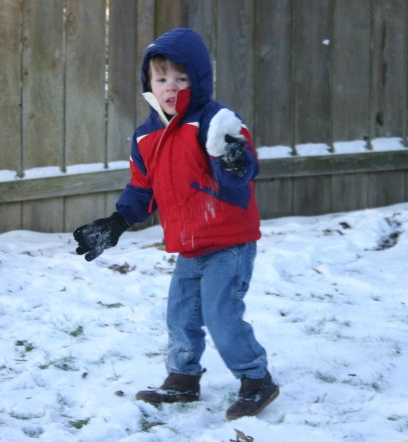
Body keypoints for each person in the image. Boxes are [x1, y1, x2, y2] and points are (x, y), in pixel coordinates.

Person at [73, 28, 279, 420]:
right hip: (188, 245)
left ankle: (256, 379)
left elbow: (241, 171)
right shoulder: (146, 135)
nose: (171, 87)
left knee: (221, 315)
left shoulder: (215, 121)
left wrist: (234, 160)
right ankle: (183, 379)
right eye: (161, 78)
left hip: (228, 242)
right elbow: (142, 188)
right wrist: (118, 221)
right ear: (148, 82)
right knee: (181, 315)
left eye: (181, 78)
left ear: (198, 80)